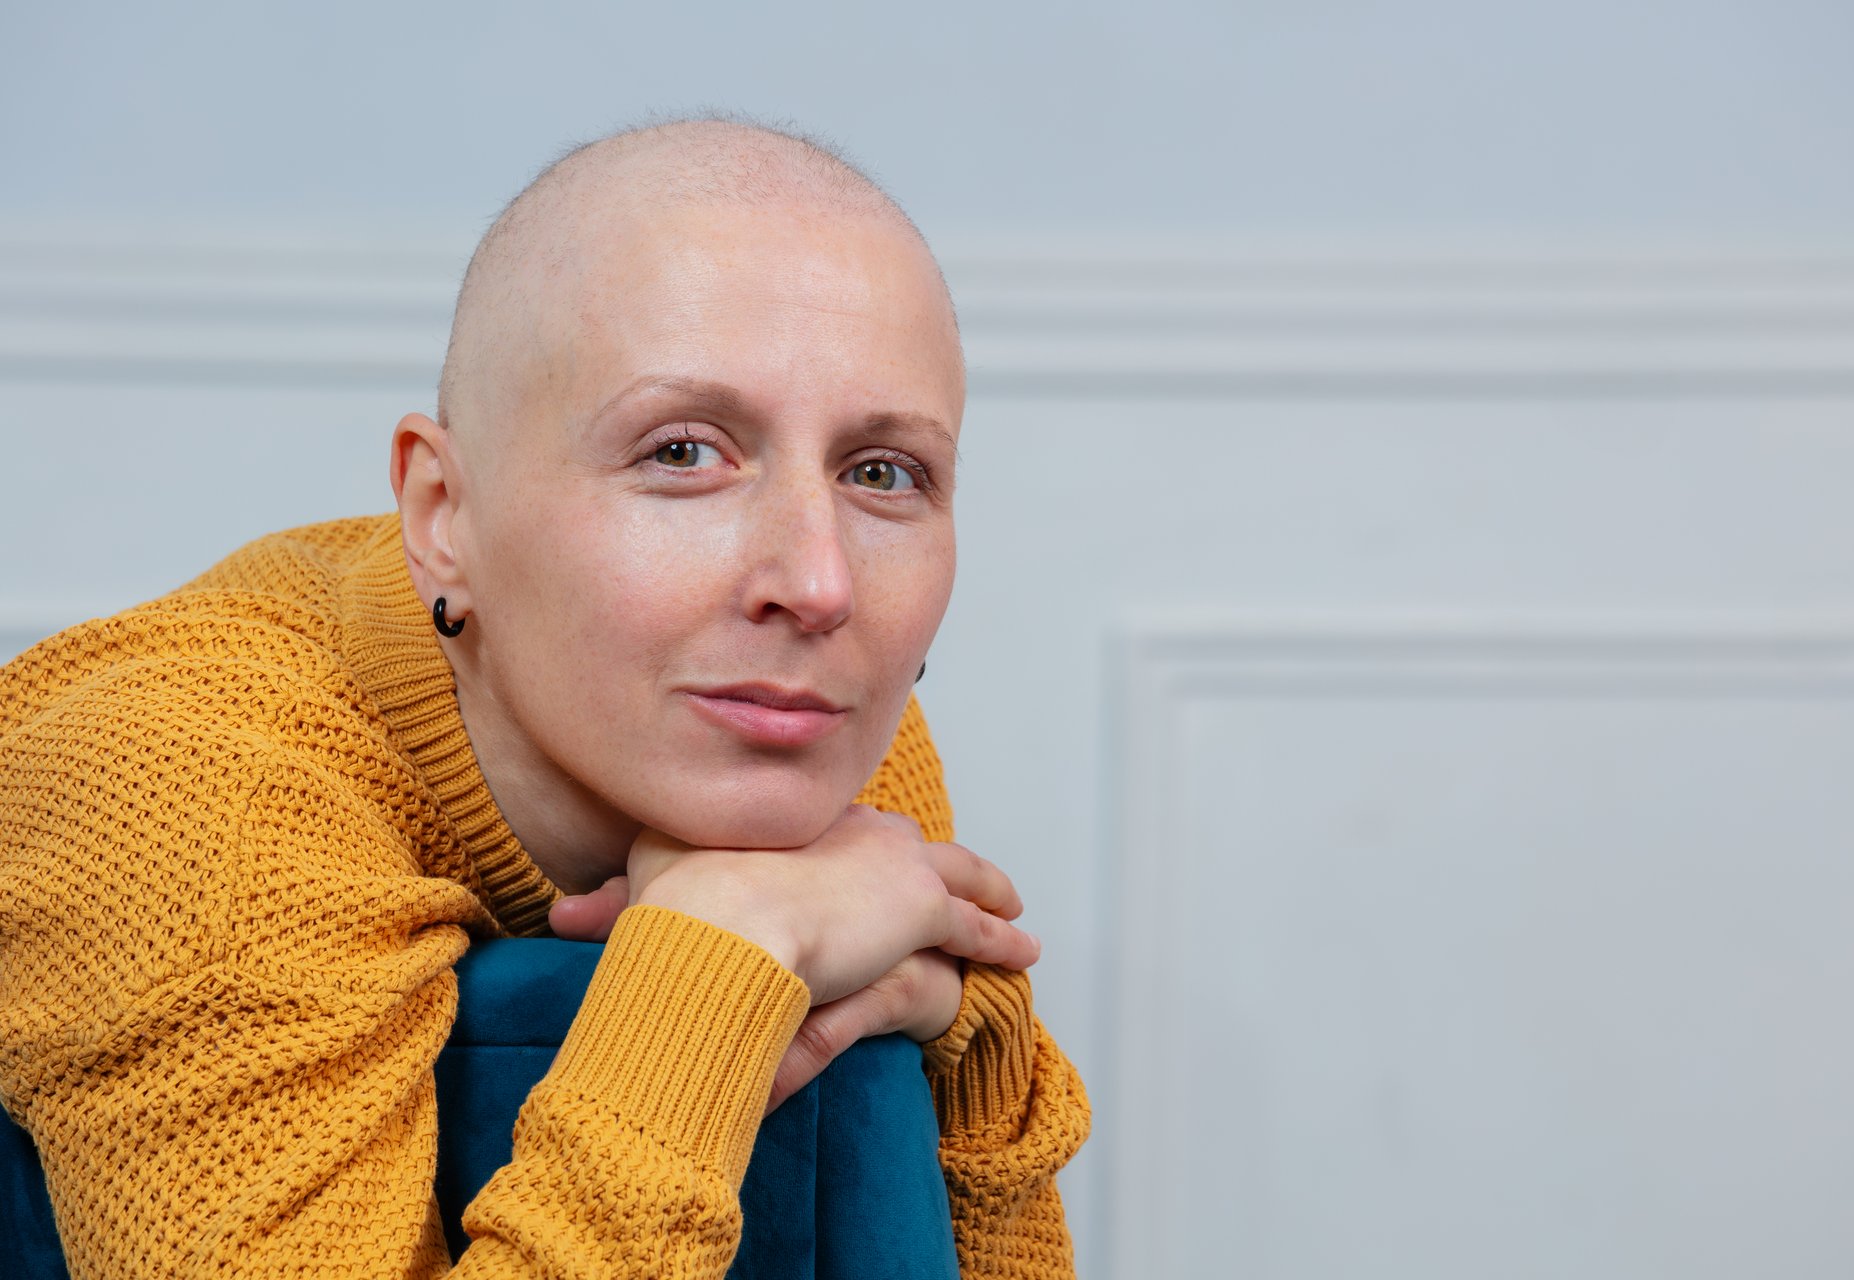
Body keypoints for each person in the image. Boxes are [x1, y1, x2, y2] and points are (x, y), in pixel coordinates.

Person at [0, 119, 1089, 1277]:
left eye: (884, 473)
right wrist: (721, 952)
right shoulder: (182, 793)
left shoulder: (784, 708)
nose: (819, 586)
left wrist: (967, 1025)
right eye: (683, 453)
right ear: (443, 517)